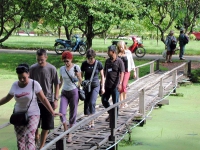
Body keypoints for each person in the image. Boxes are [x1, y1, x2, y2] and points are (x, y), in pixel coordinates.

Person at [0, 63, 60, 150]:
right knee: (20, 140)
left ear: (28, 74)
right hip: (18, 115)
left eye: (24, 77)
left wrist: (52, 111)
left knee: (29, 136)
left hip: (33, 113)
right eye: (19, 77)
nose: (22, 79)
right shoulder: (15, 85)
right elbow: (7, 98)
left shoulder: (34, 84)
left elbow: (43, 99)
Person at [29, 49, 60, 149]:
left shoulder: (52, 69)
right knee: (35, 126)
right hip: (35, 101)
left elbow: (56, 84)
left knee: (46, 126)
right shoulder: (32, 68)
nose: (40, 61)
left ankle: (41, 146)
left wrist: (56, 99)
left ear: (46, 57)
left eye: (41, 59)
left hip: (48, 100)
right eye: (38, 59)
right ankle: (36, 138)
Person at [59, 51, 82, 142]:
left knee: (73, 113)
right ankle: (66, 130)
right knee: (61, 112)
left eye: (67, 61)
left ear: (71, 59)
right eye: (64, 61)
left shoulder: (76, 67)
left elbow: (80, 80)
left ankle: (70, 134)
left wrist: (78, 77)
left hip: (73, 91)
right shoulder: (61, 69)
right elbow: (60, 81)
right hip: (64, 92)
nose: (66, 63)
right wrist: (56, 93)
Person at [81, 49, 105, 129]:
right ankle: (89, 121)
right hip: (87, 86)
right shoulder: (84, 64)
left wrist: (103, 86)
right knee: (87, 104)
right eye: (89, 58)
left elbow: (102, 75)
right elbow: (81, 76)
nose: (90, 60)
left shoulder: (98, 64)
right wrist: (80, 86)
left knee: (92, 102)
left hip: (95, 85)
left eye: (91, 58)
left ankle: (92, 122)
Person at [101, 45, 125, 122]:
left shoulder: (119, 61)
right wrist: (102, 82)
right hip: (107, 85)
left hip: (115, 85)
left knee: (115, 103)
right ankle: (111, 113)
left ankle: (114, 119)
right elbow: (104, 72)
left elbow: (122, 72)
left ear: (113, 52)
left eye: (109, 51)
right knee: (104, 100)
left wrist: (120, 83)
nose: (107, 52)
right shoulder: (107, 61)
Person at [117, 41, 136, 108]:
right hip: (119, 72)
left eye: (122, 46)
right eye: (120, 47)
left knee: (124, 85)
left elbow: (131, 61)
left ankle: (125, 101)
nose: (121, 48)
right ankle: (122, 102)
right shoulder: (117, 54)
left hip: (126, 71)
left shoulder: (128, 52)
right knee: (120, 87)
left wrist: (134, 71)